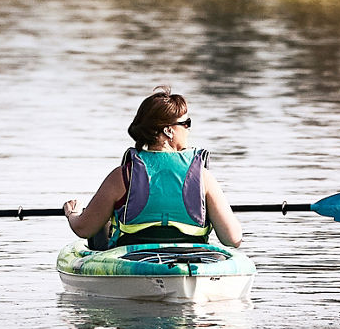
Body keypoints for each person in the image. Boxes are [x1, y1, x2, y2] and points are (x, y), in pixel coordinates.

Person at [63, 87, 244, 250]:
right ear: (168, 131)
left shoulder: (122, 176)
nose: (188, 129)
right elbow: (233, 238)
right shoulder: (203, 177)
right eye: (186, 123)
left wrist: (73, 214)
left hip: (133, 261)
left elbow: (84, 228)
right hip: (190, 258)